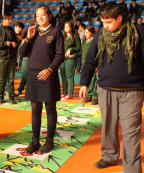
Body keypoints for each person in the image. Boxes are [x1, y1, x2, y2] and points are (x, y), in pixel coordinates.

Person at [79, 2, 144, 173]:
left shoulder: (137, 31)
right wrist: (85, 82)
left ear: (120, 18)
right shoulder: (101, 33)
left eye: (108, 22)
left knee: (131, 133)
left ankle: (132, 169)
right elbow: (90, 59)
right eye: (103, 22)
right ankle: (109, 156)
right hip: (105, 89)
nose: (105, 26)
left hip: (132, 91)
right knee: (108, 126)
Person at [19, 5, 64, 154]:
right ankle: (35, 141)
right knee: (35, 109)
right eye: (37, 15)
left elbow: (60, 55)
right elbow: (22, 53)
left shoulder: (56, 31)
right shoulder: (33, 32)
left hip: (48, 74)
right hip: (33, 74)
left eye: (43, 15)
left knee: (50, 109)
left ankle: (49, 141)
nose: (40, 18)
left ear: (49, 15)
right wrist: (28, 38)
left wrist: (50, 70)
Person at [0, 12, 18, 104]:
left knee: (11, 78)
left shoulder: (12, 30)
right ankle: (0, 96)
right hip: (1, 58)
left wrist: (15, 44)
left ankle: (11, 97)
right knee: (1, 78)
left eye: (11, 19)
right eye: (9, 19)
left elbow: (16, 42)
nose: (11, 21)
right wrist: (4, 44)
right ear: (4, 19)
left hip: (12, 57)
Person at [75, 26, 98, 105]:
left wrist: (96, 65)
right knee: (87, 81)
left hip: (92, 64)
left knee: (93, 81)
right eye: (85, 32)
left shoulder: (94, 41)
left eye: (87, 32)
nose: (86, 34)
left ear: (92, 33)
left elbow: (97, 54)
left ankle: (95, 97)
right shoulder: (84, 41)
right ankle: (89, 95)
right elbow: (82, 52)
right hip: (84, 63)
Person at [60, 21, 81, 100]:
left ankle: (70, 94)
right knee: (63, 77)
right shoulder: (63, 36)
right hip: (62, 59)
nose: (66, 28)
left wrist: (71, 49)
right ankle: (64, 93)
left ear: (71, 27)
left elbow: (79, 48)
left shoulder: (75, 36)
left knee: (69, 76)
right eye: (65, 26)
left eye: (67, 26)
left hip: (71, 59)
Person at [15, 28, 31, 97]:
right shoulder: (24, 40)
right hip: (26, 60)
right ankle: (19, 90)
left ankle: (31, 92)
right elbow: (19, 51)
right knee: (24, 76)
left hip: (34, 60)